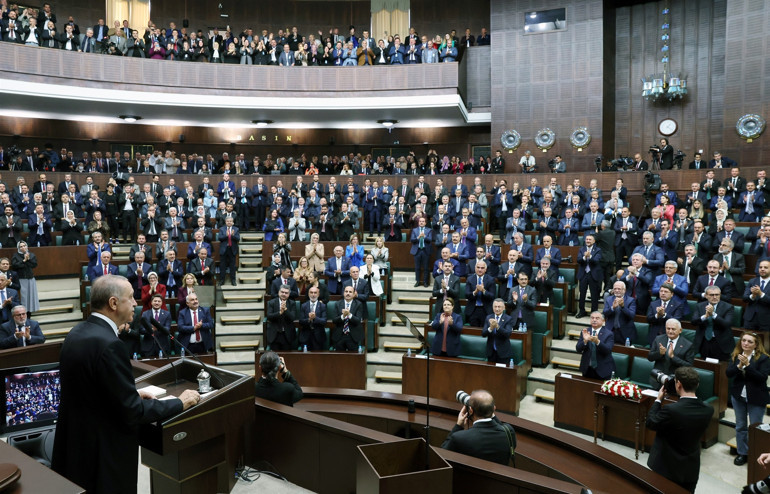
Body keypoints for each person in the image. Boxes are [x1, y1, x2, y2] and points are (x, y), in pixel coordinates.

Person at [52, 275, 200, 494]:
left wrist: (130, 394)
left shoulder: (76, 333)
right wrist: (180, 403)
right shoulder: (111, 345)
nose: (135, 303)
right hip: (104, 459)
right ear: (113, 303)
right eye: (130, 298)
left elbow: (90, 392)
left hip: (76, 450)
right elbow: (132, 411)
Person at [646, 366, 713, 493]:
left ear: (678, 384)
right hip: (690, 470)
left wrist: (658, 400)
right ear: (697, 384)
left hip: (666, 468)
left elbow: (651, 423)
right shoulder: (708, 409)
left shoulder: (671, 410)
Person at [727, 331, 770, 466]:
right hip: (738, 396)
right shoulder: (736, 355)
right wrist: (739, 366)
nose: (745, 343)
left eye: (750, 341)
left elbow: (762, 378)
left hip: (756, 398)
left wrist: (748, 366)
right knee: (740, 426)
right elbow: (728, 373)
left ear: (756, 345)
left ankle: (756, 454)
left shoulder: (763, 358)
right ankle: (743, 453)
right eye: (743, 340)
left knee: (755, 428)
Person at [440, 390, 515, 466]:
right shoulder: (509, 432)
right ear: (494, 409)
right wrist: (489, 410)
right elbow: (500, 427)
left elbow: (441, 456)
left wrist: (458, 426)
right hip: (500, 477)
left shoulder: (459, 438)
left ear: (471, 410)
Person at [647, 318, 694, 387]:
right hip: (657, 380)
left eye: (673, 329)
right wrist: (659, 353)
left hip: (675, 382)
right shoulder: (659, 339)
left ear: (680, 330)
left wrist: (673, 357)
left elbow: (689, 366)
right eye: (668, 329)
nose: (670, 331)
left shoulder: (688, 345)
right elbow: (650, 357)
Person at [692, 285, 735, 361]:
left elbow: (727, 324)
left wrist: (713, 315)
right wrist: (705, 316)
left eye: (717, 295)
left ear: (720, 295)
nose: (715, 297)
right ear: (706, 296)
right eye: (711, 295)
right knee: (705, 365)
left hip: (721, 343)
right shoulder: (700, 306)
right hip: (704, 341)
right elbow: (693, 322)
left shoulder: (728, 307)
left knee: (720, 367)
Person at [576, 312, 615, 380]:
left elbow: (608, 350)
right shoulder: (585, 331)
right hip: (587, 369)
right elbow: (578, 349)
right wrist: (585, 341)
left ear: (603, 321)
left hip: (603, 370)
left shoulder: (609, 334)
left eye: (597, 318)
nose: (594, 320)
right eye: (592, 318)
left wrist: (597, 342)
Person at [332, 285, 364, 351]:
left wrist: (349, 314)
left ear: (354, 294)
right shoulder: (337, 304)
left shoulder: (358, 304)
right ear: (343, 293)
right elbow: (334, 320)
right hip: (340, 335)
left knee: (353, 358)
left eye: (350, 292)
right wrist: (343, 316)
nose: (348, 293)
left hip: (353, 335)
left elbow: (358, 321)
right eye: (346, 291)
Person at [266, 285, 297, 351]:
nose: (284, 294)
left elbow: (293, 317)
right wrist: (279, 313)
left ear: (289, 294)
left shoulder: (292, 303)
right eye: (282, 292)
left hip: (287, 335)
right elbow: (269, 316)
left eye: (286, 293)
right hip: (274, 334)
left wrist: (285, 310)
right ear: (278, 292)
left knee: (287, 358)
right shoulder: (272, 302)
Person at [482, 299, 514, 363]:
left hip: (503, 353)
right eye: (495, 306)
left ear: (504, 307)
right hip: (491, 352)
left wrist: (497, 326)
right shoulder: (488, 317)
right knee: (491, 372)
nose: (497, 309)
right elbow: (483, 334)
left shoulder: (508, 319)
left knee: (502, 372)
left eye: (499, 307)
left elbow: (507, 333)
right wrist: (490, 328)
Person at [11, 241, 39, 313]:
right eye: (21, 246)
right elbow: (15, 266)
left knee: (30, 297)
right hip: (21, 279)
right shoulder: (15, 255)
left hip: (30, 278)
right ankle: (23, 312)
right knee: (24, 297)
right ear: (18, 248)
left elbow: (34, 265)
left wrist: (28, 259)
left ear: (27, 246)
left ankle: (30, 312)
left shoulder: (31, 255)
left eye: (24, 246)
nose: (23, 247)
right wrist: (24, 260)